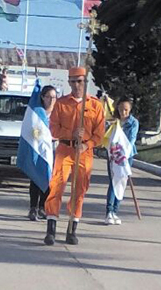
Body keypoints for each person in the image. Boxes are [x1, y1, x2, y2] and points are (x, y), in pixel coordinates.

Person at [43, 67, 105, 246]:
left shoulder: (95, 105)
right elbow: (53, 129)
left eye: (80, 81)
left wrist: (87, 143)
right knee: (56, 187)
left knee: (80, 190)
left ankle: (72, 229)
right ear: (69, 83)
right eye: (73, 81)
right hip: (65, 150)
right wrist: (71, 133)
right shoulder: (61, 104)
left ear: (86, 82)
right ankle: (51, 229)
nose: (77, 85)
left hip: (84, 153)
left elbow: (99, 134)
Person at [105, 97, 139, 225]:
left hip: (126, 156)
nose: (123, 112)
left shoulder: (133, 122)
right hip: (114, 155)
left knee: (121, 182)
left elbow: (131, 139)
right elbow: (107, 136)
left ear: (130, 109)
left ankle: (115, 211)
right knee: (113, 181)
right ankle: (109, 211)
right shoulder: (113, 121)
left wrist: (125, 155)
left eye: (125, 110)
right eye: (120, 109)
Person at [28, 85, 58, 221]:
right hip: (38, 148)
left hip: (53, 149)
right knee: (35, 178)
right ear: (42, 97)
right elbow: (32, 129)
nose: (51, 100)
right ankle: (33, 207)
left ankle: (43, 206)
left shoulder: (58, 113)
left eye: (53, 97)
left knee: (49, 178)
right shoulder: (37, 112)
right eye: (48, 97)